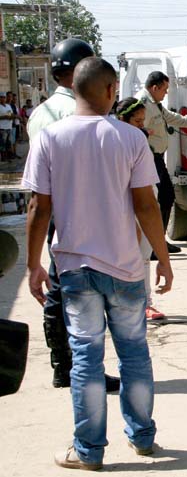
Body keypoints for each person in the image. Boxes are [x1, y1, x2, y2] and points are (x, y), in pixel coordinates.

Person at [23, 57, 172, 470]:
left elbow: (38, 206)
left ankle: (88, 451)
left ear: (75, 90)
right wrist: (162, 258)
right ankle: (142, 438)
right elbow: (147, 206)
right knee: (135, 354)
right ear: (110, 91)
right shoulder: (130, 139)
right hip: (124, 268)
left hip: (74, 268)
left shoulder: (49, 138)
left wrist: (34, 264)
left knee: (86, 357)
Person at [25, 38, 120, 390]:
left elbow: (37, 190)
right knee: (87, 298)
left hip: (53, 214)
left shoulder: (41, 113)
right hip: (83, 218)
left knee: (57, 290)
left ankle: (62, 365)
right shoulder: (82, 114)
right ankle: (81, 369)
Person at [135, 71, 187, 253]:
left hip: (156, 158)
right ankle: (153, 245)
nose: (165, 93)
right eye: (164, 90)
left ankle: (158, 242)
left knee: (166, 197)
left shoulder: (155, 104)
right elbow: (135, 130)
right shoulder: (143, 103)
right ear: (154, 88)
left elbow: (172, 118)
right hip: (147, 159)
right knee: (157, 199)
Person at [117, 97, 166, 320]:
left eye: (142, 121)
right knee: (133, 256)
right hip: (131, 207)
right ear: (122, 119)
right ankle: (135, 304)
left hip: (145, 203)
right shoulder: (119, 142)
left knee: (144, 255)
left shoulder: (136, 139)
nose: (142, 127)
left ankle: (145, 303)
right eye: (137, 121)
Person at [0, 93, 13, 162]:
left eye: (4, 97)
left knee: (9, 143)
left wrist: (11, 117)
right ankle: (3, 157)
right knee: (2, 143)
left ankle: (9, 156)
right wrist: (4, 117)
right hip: (2, 128)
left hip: (9, 127)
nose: (3, 99)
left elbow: (10, 113)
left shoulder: (8, 106)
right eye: (1, 97)